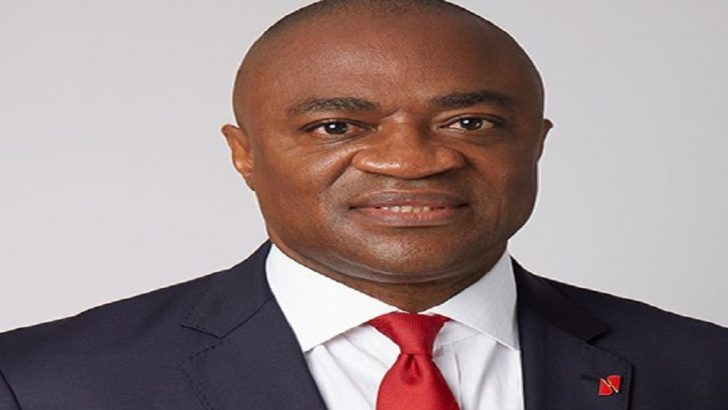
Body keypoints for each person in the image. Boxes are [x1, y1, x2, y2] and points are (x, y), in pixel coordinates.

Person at [1, 1, 726, 409]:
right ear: (244, 153)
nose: (412, 161)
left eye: (469, 122)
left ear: (534, 142)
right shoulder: (39, 385)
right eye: (337, 127)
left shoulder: (705, 370)